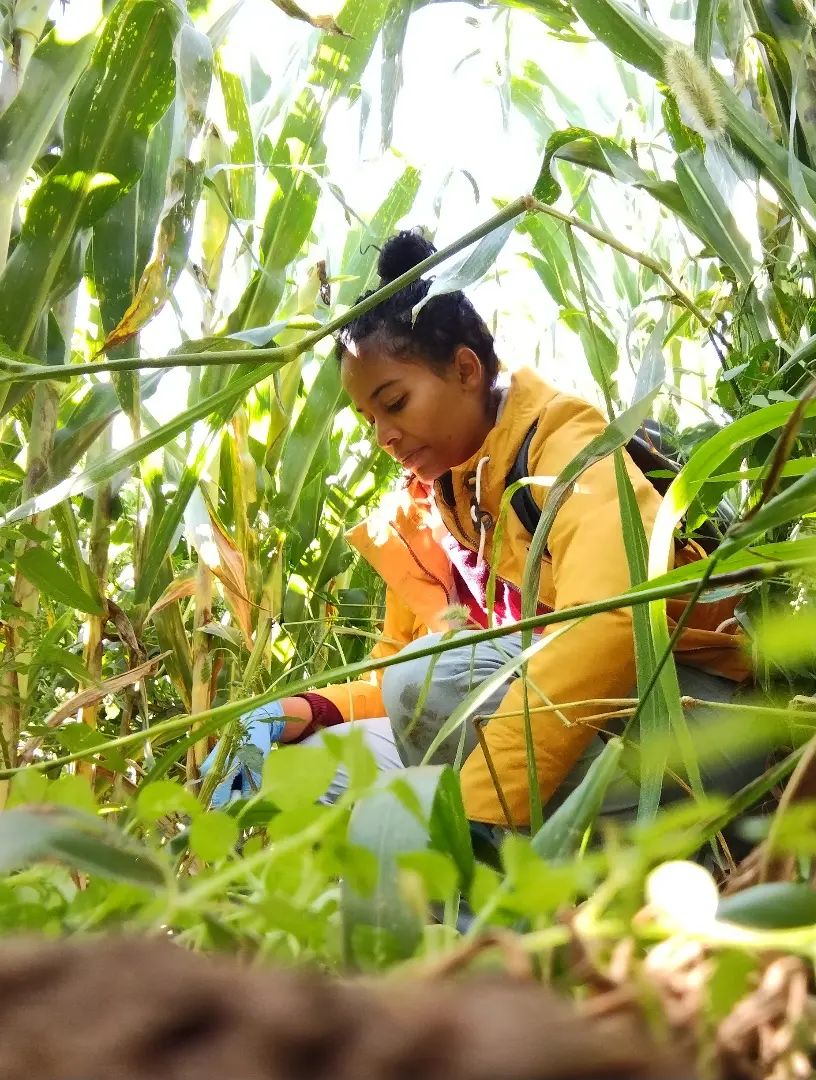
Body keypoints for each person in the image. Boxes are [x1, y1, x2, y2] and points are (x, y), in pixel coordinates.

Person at [203, 229, 754, 829]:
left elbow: (610, 619)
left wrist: (475, 818)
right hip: (561, 735)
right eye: (369, 419)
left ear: (465, 369)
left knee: (430, 681)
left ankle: (495, 861)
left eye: (396, 403)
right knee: (306, 766)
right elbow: (391, 681)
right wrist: (307, 707)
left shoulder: (564, 447)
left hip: (694, 730)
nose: (383, 437)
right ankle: (470, 875)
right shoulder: (432, 513)